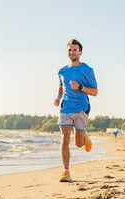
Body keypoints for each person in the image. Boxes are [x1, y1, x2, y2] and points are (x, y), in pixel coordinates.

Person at [54, 39, 98, 182]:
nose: (72, 52)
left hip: (81, 109)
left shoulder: (87, 70)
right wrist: (58, 97)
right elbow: (61, 86)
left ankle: (85, 138)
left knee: (78, 144)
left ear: (80, 52)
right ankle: (66, 172)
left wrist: (80, 87)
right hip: (65, 108)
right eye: (69, 50)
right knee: (65, 138)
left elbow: (95, 91)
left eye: (74, 50)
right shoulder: (62, 71)